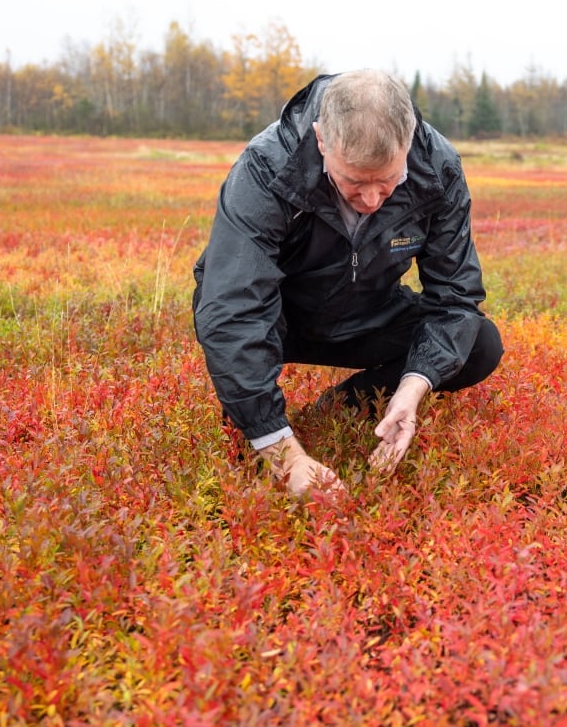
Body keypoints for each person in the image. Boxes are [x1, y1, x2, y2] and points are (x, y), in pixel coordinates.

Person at [192, 69, 503, 497]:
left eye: (388, 181)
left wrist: (412, 386)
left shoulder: (439, 168)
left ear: (409, 144)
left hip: (368, 312)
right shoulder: (267, 167)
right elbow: (233, 310)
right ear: (322, 140)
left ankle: (344, 406)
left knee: (480, 343)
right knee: (242, 369)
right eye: (354, 181)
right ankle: (262, 425)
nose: (373, 200)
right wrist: (285, 456)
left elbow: (455, 299)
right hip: (281, 319)